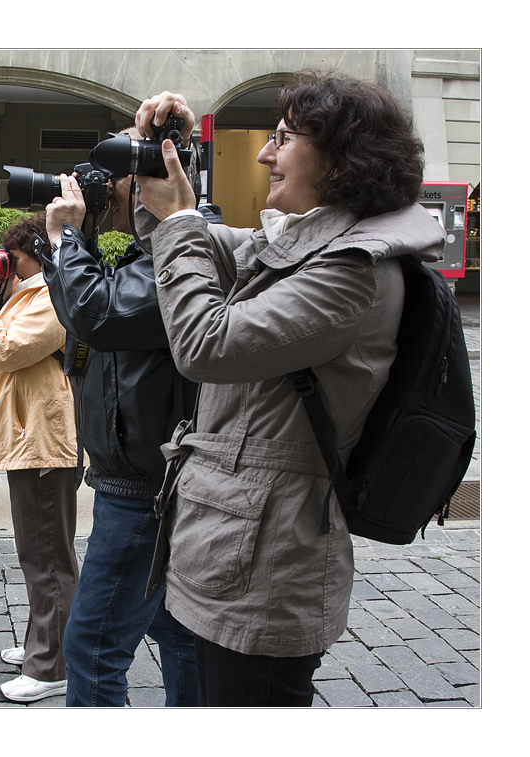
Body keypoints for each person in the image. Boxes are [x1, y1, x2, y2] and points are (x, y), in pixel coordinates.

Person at [131, 74, 446, 706]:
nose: (263, 155)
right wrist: (165, 153)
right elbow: (179, 241)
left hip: (266, 568)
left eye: (281, 138)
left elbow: (205, 345)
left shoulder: (351, 272)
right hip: (234, 549)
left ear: (340, 161)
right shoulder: (301, 246)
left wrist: (180, 220)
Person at [41, 147, 200, 707]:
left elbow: (101, 316)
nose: (106, 189)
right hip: (140, 481)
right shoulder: (148, 252)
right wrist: (76, 241)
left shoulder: (188, 253)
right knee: (176, 633)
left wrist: (67, 237)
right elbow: (86, 321)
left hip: (145, 491)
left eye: (118, 176)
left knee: (92, 647)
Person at [0, 214, 79, 703]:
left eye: (15, 256)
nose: (4, 263)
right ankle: (41, 644)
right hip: (29, 438)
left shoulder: (52, 295)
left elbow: (4, 351)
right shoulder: (29, 294)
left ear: (38, 255)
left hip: (44, 443)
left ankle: (51, 667)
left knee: (48, 556)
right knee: (37, 552)